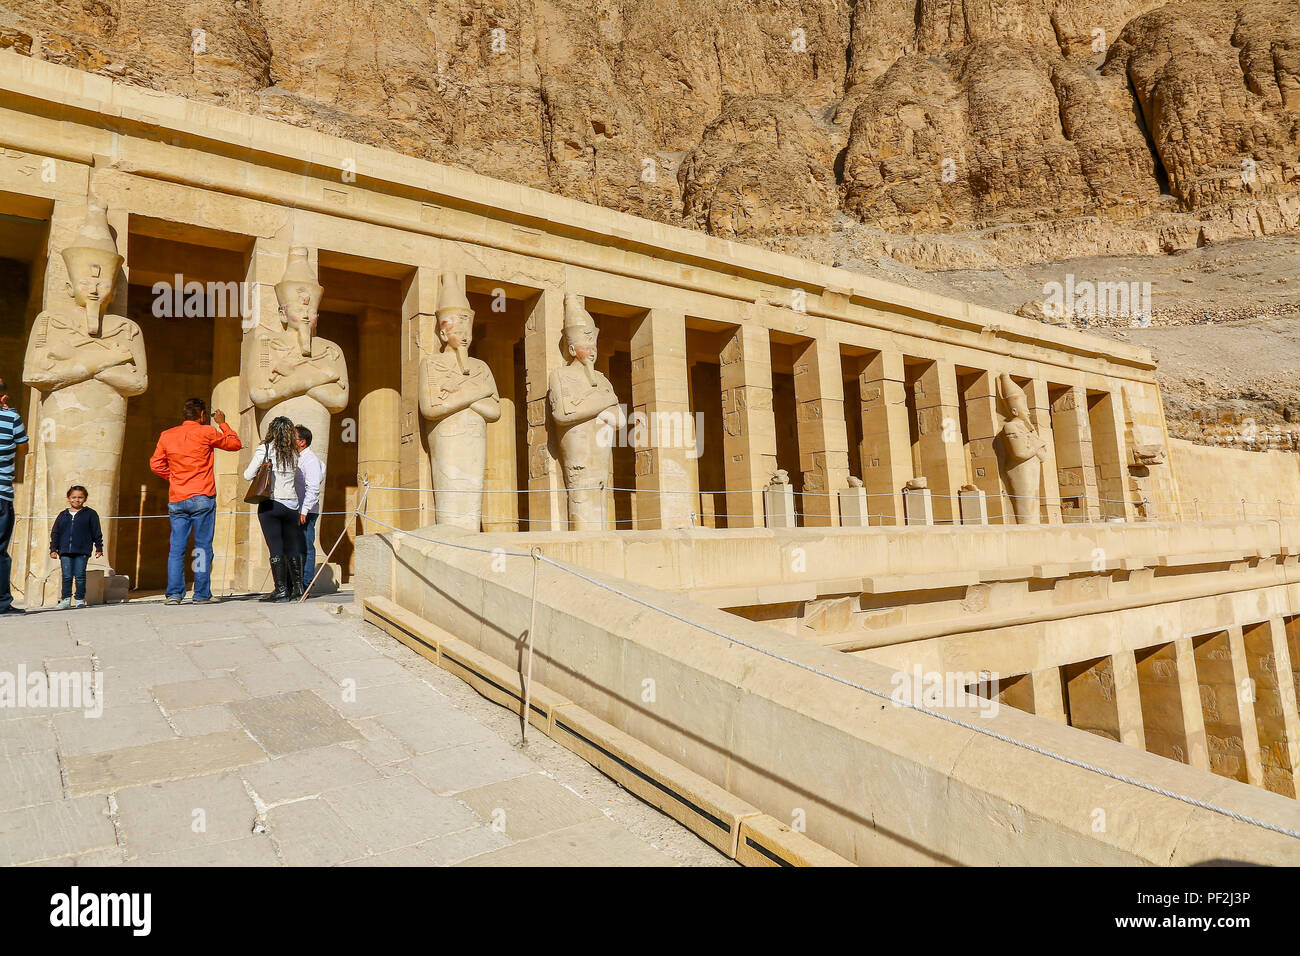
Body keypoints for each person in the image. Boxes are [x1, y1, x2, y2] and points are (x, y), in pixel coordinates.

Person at [150, 397, 242, 605]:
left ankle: (174, 594)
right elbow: (235, 444)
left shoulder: (167, 435)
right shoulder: (207, 432)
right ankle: (201, 594)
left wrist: (173, 477)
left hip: (177, 497)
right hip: (202, 496)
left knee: (176, 548)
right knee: (201, 547)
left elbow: (155, 464)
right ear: (202, 415)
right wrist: (222, 423)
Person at [244, 416, 303, 602]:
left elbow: (248, 475)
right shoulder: (294, 453)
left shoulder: (266, 449)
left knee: (275, 547)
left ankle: (281, 589)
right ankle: (298, 588)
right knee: (292, 546)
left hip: (272, 503)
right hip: (292, 504)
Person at [0, 377, 29, 616]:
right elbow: (24, 448)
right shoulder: (11, 419)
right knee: (0, 550)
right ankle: (1, 603)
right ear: (3, 397)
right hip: (1, 494)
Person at [49, 485, 103, 609]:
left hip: (82, 550)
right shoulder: (63, 515)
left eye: (80, 497)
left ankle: (79, 599)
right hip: (65, 551)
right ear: (68, 498)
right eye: (73, 497)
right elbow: (55, 532)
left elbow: (96, 532)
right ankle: (66, 599)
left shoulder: (90, 514)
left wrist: (99, 548)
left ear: (85, 499)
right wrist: (53, 549)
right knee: (66, 576)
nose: (76, 500)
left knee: (80, 575)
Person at [293, 424, 325, 596]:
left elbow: (313, 487)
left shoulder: (310, 460)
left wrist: (304, 510)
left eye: (294, 437)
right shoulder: (298, 457)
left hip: (306, 511)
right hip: (297, 508)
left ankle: (306, 584)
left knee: (306, 546)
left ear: (302, 442)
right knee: (298, 546)